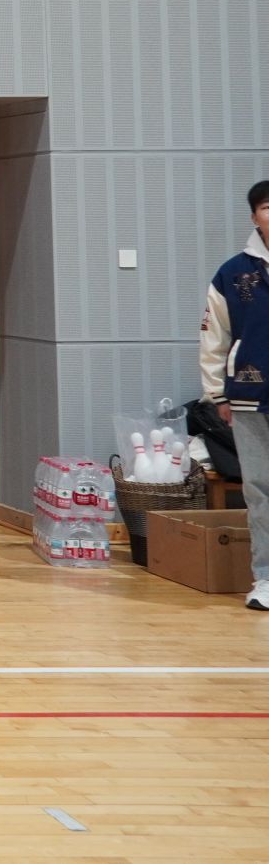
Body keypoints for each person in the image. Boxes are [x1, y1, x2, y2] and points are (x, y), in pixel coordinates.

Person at [198, 178, 269, 612]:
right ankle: (265, 577)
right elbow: (214, 338)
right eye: (267, 207)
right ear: (254, 217)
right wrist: (217, 395)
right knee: (259, 489)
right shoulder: (233, 273)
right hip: (249, 394)